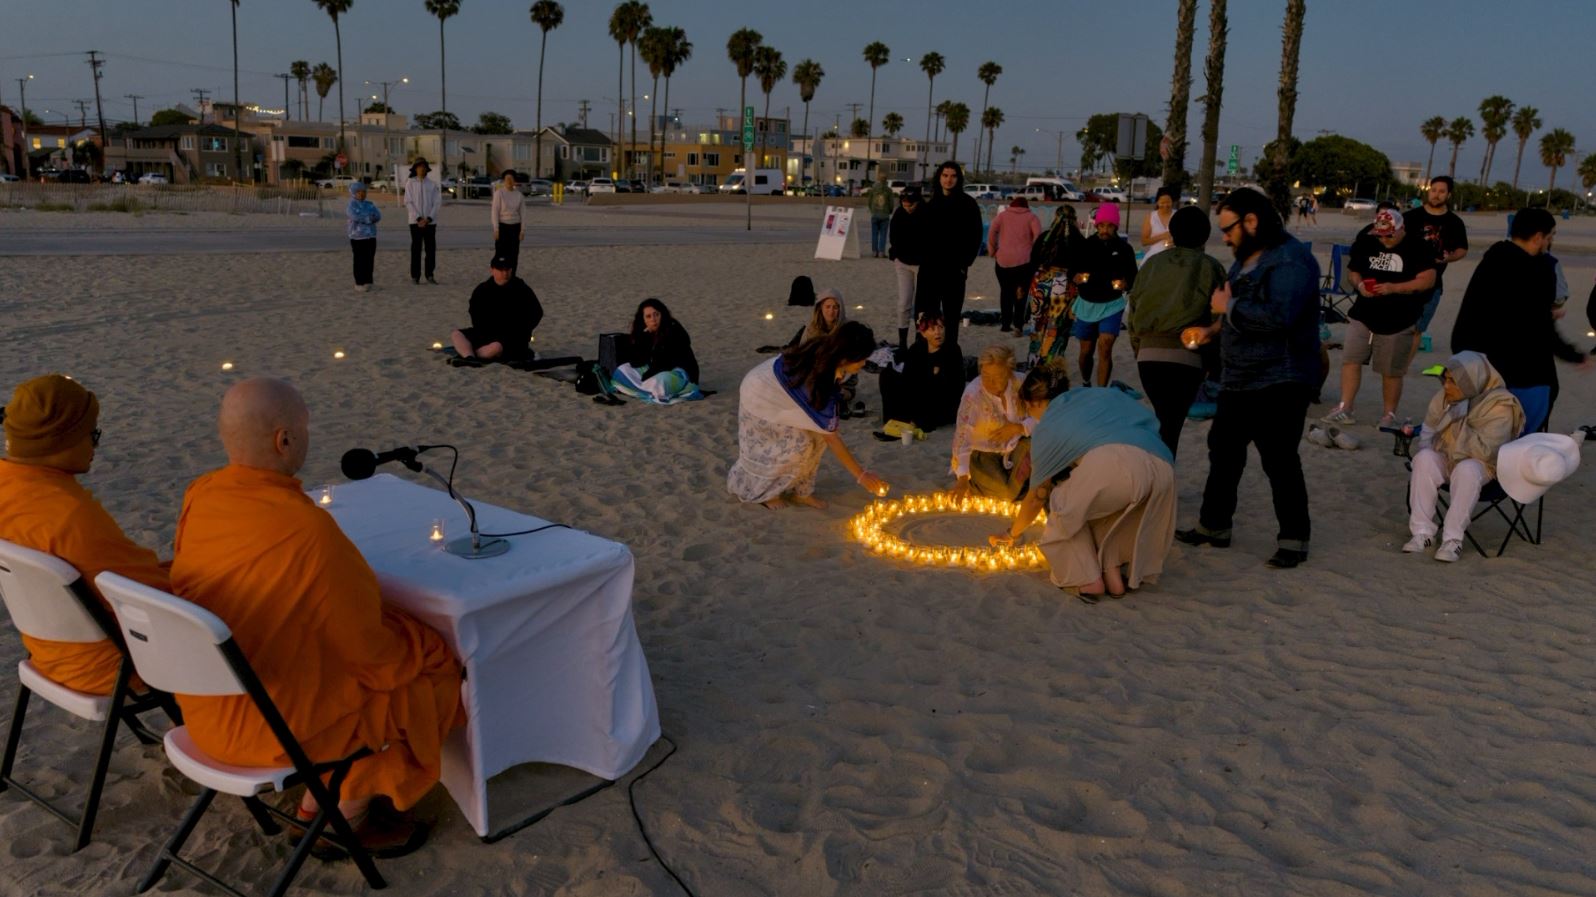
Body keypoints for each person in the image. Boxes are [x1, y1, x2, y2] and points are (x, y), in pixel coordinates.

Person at [170, 377, 464, 856]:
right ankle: (340, 818)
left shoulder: (202, 495)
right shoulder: (306, 530)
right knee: (426, 671)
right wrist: (426, 643)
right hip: (269, 727)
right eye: (303, 428)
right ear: (284, 440)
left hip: (203, 709)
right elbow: (368, 650)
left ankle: (325, 801)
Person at [1176, 188, 1321, 569]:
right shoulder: (1246, 261)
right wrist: (1210, 331)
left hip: (1281, 377)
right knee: (1223, 451)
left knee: (1279, 459)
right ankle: (1214, 527)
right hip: (1239, 378)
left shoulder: (1291, 261)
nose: (1223, 237)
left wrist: (1230, 306)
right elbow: (1235, 315)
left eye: (1228, 229)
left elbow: (1279, 317)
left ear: (1252, 222)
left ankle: (1294, 539)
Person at [0, 375, 172, 695]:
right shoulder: (69, 515)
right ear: (60, 441)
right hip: (110, 665)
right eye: (90, 434)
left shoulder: (9, 488)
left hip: (49, 653)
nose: (94, 445)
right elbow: (151, 598)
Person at [992, 381, 1176, 601]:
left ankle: (1087, 580)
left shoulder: (1049, 424)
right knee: (1110, 513)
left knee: (1063, 505)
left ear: (1034, 402)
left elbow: (1036, 497)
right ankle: (1114, 578)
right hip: (1163, 468)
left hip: (1116, 463)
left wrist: (1011, 533)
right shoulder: (1094, 395)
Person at [1451, 207, 1591, 432]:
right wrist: (1573, 355)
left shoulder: (1492, 259)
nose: (1550, 242)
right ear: (1538, 237)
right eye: (1550, 236)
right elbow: (1541, 326)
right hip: (1526, 371)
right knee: (1521, 435)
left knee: (1483, 432)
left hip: (1477, 363)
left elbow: (1478, 309)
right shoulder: (1541, 269)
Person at [727, 321, 890, 509]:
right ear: (846, 356)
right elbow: (832, 438)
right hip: (762, 395)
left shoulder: (831, 360)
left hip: (786, 394)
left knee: (815, 440)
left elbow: (826, 431)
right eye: (861, 359)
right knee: (796, 446)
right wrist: (861, 475)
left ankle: (802, 493)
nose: (864, 364)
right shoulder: (819, 373)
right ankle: (765, 493)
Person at [1320, 208, 1436, 428]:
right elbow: (1354, 271)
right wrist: (1360, 284)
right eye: (1380, 234)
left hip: (1399, 318)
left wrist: (1394, 288)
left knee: (1391, 370)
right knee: (1351, 360)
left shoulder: (1418, 246)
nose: (1384, 238)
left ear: (1401, 229)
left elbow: (1427, 280)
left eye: (1389, 234)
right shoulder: (1367, 242)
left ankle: (1389, 414)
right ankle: (1345, 407)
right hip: (1363, 313)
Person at [1126, 205, 1227, 455]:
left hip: (1148, 359)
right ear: (1205, 235)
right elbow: (1220, 318)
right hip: (1187, 359)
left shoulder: (1151, 265)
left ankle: (1158, 481)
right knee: (1171, 428)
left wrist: (1139, 349)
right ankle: (1160, 484)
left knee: (1165, 424)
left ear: (1172, 232)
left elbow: (1134, 312)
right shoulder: (1211, 267)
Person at [1404, 352, 1524, 562]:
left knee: (1467, 469)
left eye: (1453, 381)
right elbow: (1428, 432)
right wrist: (1432, 449)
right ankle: (1422, 533)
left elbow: (1486, 450)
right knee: (1424, 458)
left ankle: (1453, 540)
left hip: (1483, 465)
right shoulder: (1445, 398)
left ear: (1471, 382)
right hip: (1447, 456)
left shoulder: (1500, 405)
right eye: (1446, 379)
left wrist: (1456, 418)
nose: (1446, 386)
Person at [949, 345, 1036, 501]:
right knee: (1006, 493)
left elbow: (1041, 416)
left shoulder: (1020, 382)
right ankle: (980, 483)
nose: (989, 382)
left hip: (1014, 447)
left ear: (1009, 372)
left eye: (997, 376)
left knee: (1034, 445)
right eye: (985, 375)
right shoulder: (973, 395)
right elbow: (962, 438)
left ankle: (1012, 486)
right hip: (982, 454)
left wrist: (1019, 427)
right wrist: (962, 479)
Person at [1071, 203, 1138, 387]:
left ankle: (1101, 392)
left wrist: (1126, 283)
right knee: (1086, 351)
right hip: (1086, 303)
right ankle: (1086, 382)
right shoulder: (1086, 246)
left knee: (1106, 346)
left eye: (1109, 226)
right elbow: (1072, 270)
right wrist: (1075, 277)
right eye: (1101, 225)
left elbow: (1133, 276)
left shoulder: (1125, 249)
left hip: (1112, 304)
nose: (1104, 230)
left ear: (1115, 227)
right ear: (1096, 225)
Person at [915, 162, 983, 339]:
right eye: (945, 175)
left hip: (954, 272)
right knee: (929, 315)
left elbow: (975, 236)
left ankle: (949, 355)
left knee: (952, 318)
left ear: (958, 179)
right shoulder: (930, 204)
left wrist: (964, 263)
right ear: (939, 177)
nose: (948, 180)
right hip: (930, 270)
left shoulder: (968, 204)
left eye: (953, 176)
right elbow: (920, 235)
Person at [1406, 176, 1469, 356]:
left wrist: (1448, 258)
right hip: (1404, 279)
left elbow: (1462, 249)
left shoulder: (1454, 222)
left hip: (1433, 285)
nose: (1436, 195)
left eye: (1442, 192)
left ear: (1448, 195)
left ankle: (1403, 368)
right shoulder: (1411, 217)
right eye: (1434, 190)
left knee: (1417, 329)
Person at [449, 254, 545, 365]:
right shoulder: (483, 289)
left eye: (507, 270)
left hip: (511, 336)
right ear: (492, 270)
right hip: (486, 333)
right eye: (500, 270)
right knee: (456, 334)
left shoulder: (521, 288)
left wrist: (522, 331)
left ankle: (471, 355)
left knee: (496, 347)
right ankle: (469, 357)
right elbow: (474, 312)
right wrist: (483, 329)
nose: (504, 273)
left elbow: (537, 312)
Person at [879, 312, 964, 433]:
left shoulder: (952, 350)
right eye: (932, 329)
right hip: (917, 395)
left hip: (940, 401)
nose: (937, 332)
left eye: (940, 327)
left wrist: (932, 376)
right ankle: (892, 419)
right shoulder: (917, 348)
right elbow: (908, 377)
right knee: (888, 375)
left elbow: (954, 386)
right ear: (923, 333)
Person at [1027, 205, 1083, 371]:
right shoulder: (1078, 241)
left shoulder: (1045, 237)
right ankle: (1051, 364)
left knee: (1037, 325)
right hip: (1063, 287)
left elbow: (1033, 262)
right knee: (1057, 328)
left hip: (1041, 284)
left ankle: (1034, 363)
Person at [987, 195, 1042, 335]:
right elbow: (1038, 236)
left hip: (1003, 260)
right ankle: (1018, 325)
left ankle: (1005, 324)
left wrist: (992, 250)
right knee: (1021, 294)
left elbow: (992, 231)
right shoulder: (1032, 217)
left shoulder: (1002, 216)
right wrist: (1034, 253)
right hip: (1025, 262)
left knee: (1005, 292)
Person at [887, 185, 927, 349]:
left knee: (922, 304)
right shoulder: (898, 213)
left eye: (911, 204)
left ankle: (919, 339)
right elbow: (893, 236)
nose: (907, 207)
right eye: (904, 204)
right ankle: (902, 342)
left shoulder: (927, 213)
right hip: (902, 263)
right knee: (904, 302)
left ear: (918, 201)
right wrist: (896, 254)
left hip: (923, 264)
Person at [625, 297, 699, 384]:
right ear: (643, 320)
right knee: (624, 369)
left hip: (679, 371)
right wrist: (643, 337)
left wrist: (647, 377)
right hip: (658, 370)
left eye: (656, 314)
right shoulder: (646, 332)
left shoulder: (673, 329)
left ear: (662, 315)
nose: (653, 319)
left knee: (660, 380)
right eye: (648, 316)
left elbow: (665, 361)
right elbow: (636, 362)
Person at [403, 158, 441, 286]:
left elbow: (437, 203)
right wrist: (418, 218)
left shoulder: (432, 184)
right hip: (415, 222)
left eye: (424, 166)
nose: (422, 169)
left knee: (430, 249)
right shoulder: (410, 183)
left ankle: (429, 274)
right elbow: (408, 202)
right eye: (419, 166)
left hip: (430, 222)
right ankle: (415, 276)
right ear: (415, 168)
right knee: (416, 249)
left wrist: (429, 218)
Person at [346, 181, 381, 293]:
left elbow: (377, 215)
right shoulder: (351, 204)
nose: (361, 194)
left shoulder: (369, 204)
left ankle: (368, 282)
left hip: (371, 236)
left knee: (369, 260)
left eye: (363, 192)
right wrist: (368, 218)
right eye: (358, 192)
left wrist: (370, 218)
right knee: (359, 260)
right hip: (357, 237)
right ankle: (359, 283)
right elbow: (355, 216)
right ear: (354, 193)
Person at [490, 169, 526, 275]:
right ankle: (498, 273)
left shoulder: (519, 195)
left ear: (515, 181)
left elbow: (523, 213)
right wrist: (496, 229)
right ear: (504, 180)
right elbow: (495, 211)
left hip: (515, 227)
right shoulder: (499, 193)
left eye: (511, 179)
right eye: (507, 179)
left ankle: (512, 275)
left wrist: (522, 230)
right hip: (503, 226)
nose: (509, 181)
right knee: (501, 253)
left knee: (514, 253)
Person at [1139, 187, 1176, 262]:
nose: (1165, 205)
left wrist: (1175, 242)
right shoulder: (1151, 217)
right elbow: (1144, 241)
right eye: (1162, 203)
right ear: (1157, 202)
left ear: (1172, 201)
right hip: (1155, 255)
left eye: (1168, 202)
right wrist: (1162, 236)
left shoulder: (1178, 215)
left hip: (1174, 255)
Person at [866, 173, 895, 259]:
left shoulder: (873, 189)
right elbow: (891, 203)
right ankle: (881, 252)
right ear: (886, 180)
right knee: (883, 234)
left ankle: (874, 252)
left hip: (875, 214)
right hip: (885, 215)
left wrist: (872, 210)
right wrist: (889, 211)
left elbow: (869, 201)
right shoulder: (889, 190)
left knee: (874, 234)